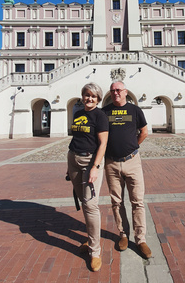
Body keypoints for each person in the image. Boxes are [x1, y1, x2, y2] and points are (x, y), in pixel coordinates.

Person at [102, 80, 152, 259]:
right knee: (116, 201)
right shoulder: (104, 112)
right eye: (113, 90)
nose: (115, 93)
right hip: (111, 163)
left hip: (132, 161)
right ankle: (123, 235)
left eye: (118, 90)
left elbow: (144, 132)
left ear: (125, 92)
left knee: (137, 201)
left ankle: (140, 239)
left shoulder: (135, 110)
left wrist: (132, 147)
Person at [67, 83, 109, 272]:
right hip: (74, 159)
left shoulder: (100, 116)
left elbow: (103, 144)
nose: (89, 98)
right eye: (86, 95)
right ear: (82, 96)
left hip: (90, 161)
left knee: (91, 205)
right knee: (84, 203)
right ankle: (91, 240)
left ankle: (95, 251)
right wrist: (70, 165)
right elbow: (75, 138)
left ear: (98, 99)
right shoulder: (77, 113)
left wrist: (95, 167)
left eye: (93, 96)